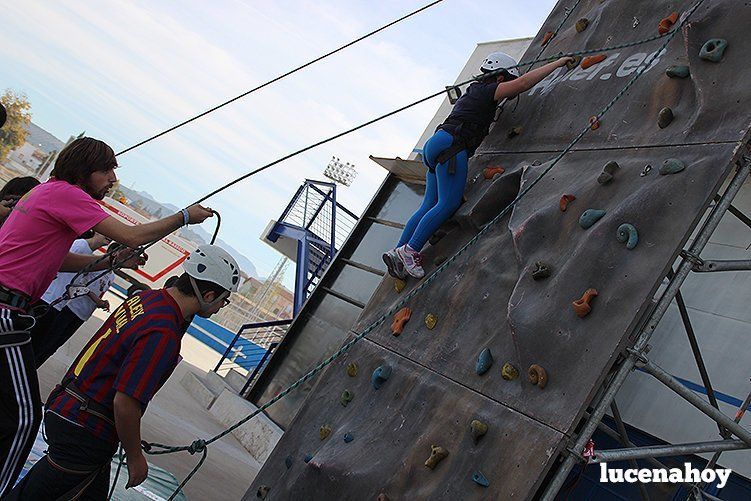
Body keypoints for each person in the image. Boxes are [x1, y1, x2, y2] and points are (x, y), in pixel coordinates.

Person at [0, 136, 214, 496]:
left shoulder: (46, 192)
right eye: (107, 170)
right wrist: (183, 217)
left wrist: (111, 261)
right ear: (85, 170)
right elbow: (132, 235)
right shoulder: (68, 195)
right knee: (23, 418)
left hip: (13, 309)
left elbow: (59, 260)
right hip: (7, 312)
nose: (112, 178)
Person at [9, 245, 240, 499]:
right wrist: (134, 457)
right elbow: (125, 402)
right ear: (208, 296)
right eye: (223, 301)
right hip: (84, 429)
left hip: (69, 406)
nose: (220, 307)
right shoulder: (163, 332)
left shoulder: (144, 299)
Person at [382, 53, 574, 279]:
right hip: (453, 146)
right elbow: (522, 84)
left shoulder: (472, 91)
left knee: (428, 204)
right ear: (499, 76)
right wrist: (558, 62)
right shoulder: (488, 90)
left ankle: (398, 251)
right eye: (507, 78)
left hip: (437, 143)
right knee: (448, 203)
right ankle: (410, 250)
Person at [31, 235, 117, 368]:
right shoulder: (81, 246)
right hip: (52, 302)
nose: (109, 237)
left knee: (48, 346)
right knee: (37, 345)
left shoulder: (94, 259)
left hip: (64, 307)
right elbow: (58, 266)